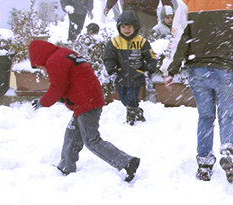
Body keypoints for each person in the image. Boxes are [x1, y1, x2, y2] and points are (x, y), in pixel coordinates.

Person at [164, 0, 233, 184]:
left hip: (198, 68)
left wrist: (171, 69)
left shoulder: (191, 3)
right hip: (227, 67)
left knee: (205, 117)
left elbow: (182, 37)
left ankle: (204, 163)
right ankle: (228, 151)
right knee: (227, 115)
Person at [28, 40, 141, 182]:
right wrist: (65, 99)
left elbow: (58, 87)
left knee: (91, 140)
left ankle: (127, 162)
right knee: (72, 134)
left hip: (87, 103)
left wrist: (42, 102)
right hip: (87, 100)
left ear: (39, 57)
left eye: (39, 67)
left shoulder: (54, 61)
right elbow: (74, 79)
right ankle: (66, 167)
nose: (42, 70)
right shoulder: (64, 54)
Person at [104, 11, 158, 126]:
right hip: (121, 76)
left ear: (135, 27)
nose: (126, 29)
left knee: (132, 99)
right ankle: (137, 111)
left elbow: (151, 57)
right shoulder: (114, 42)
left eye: (129, 26)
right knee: (123, 99)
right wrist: (112, 70)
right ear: (119, 27)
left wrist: (149, 69)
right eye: (123, 26)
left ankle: (131, 120)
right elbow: (109, 58)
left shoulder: (141, 42)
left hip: (136, 76)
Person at [103, 0, 175, 37]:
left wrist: (109, 5)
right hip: (145, 10)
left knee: (131, 38)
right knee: (147, 39)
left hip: (141, 10)